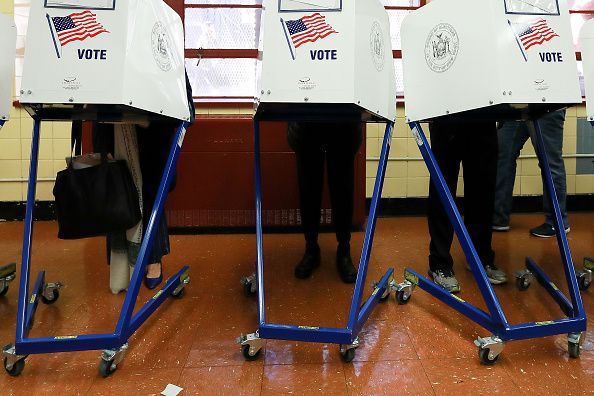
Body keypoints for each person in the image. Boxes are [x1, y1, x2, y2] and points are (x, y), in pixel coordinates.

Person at [93, 72, 195, 293]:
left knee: (151, 196)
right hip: (114, 130)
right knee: (118, 195)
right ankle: (124, 263)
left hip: (152, 134)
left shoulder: (163, 47)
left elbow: (186, 107)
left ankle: (153, 259)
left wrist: (148, 119)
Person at [427, 118, 508, 293]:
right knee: (443, 190)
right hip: (445, 115)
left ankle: (480, 258)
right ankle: (439, 263)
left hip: (484, 114)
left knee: (483, 190)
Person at [287, 121, 362, 283]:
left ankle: (344, 249)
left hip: (343, 122)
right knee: (308, 189)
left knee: (343, 190)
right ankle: (311, 248)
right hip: (307, 121)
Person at [492, 109, 569, 238]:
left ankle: (556, 222)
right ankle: (498, 218)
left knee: (550, 162)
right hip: (517, 104)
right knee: (502, 157)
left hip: (547, 104)